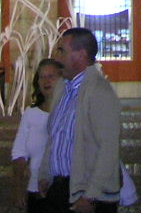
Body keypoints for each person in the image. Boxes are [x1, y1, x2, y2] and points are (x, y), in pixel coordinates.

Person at [37, 28, 123, 213]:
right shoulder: (62, 88)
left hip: (87, 197)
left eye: (62, 51)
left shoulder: (100, 92)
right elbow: (55, 137)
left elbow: (108, 149)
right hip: (60, 190)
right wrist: (45, 173)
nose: (57, 58)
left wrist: (91, 196)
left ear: (81, 55)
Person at [11, 57, 64, 211]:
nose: (46, 81)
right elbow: (19, 152)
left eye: (51, 76)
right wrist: (18, 188)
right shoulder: (30, 113)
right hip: (35, 189)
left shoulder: (69, 112)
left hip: (63, 189)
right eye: (42, 77)